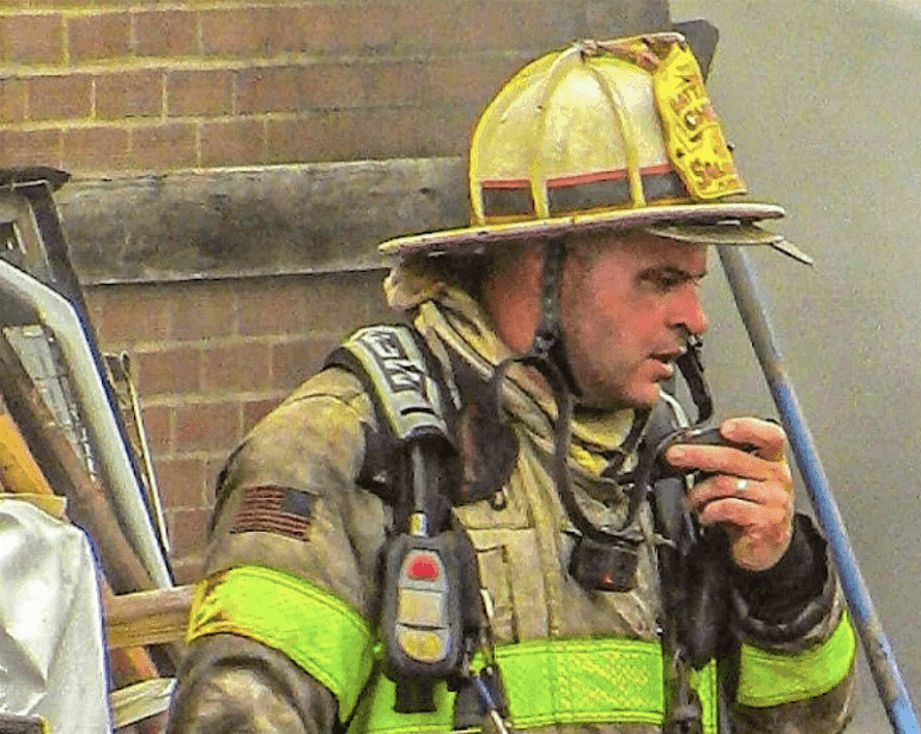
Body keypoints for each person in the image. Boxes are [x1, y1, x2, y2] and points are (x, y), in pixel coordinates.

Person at [167, 32, 856, 734]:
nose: (694, 318)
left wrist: (782, 583)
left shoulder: (670, 476)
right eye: (660, 280)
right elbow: (235, 718)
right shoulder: (341, 451)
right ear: (541, 266)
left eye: (695, 283)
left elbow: (807, 725)